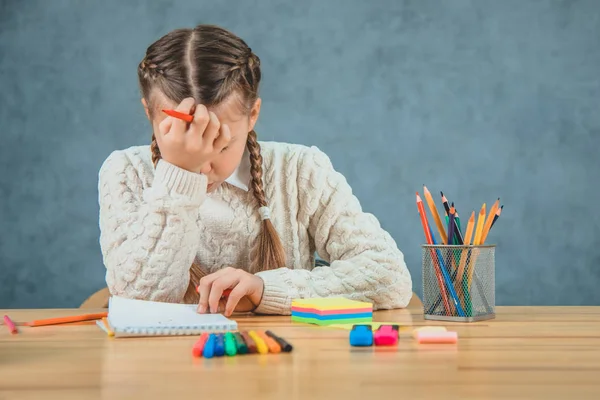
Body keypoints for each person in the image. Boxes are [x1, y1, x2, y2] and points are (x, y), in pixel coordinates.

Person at [98, 24, 412, 317]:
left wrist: (265, 289)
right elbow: (134, 301)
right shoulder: (125, 171)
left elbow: (389, 277)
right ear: (148, 113)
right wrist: (180, 174)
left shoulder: (300, 169)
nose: (203, 165)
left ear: (253, 115)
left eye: (220, 144)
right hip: (163, 368)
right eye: (182, 139)